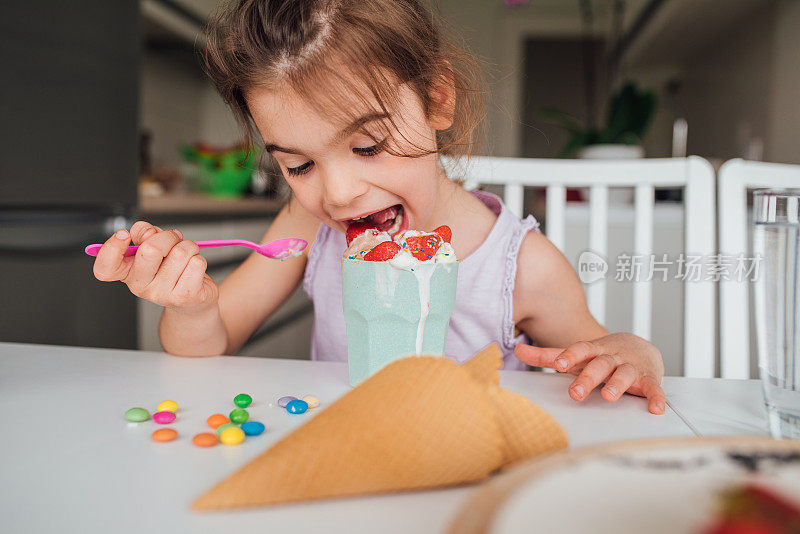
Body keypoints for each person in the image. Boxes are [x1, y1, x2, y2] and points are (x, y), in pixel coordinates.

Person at [91, 0, 665, 414]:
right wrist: (192, 307)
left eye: (369, 146)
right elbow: (211, 343)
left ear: (436, 101)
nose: (338, 194)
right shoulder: (305, 225)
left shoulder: (523, 268)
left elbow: (601, 357)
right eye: (299, 165)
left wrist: (632, 352)